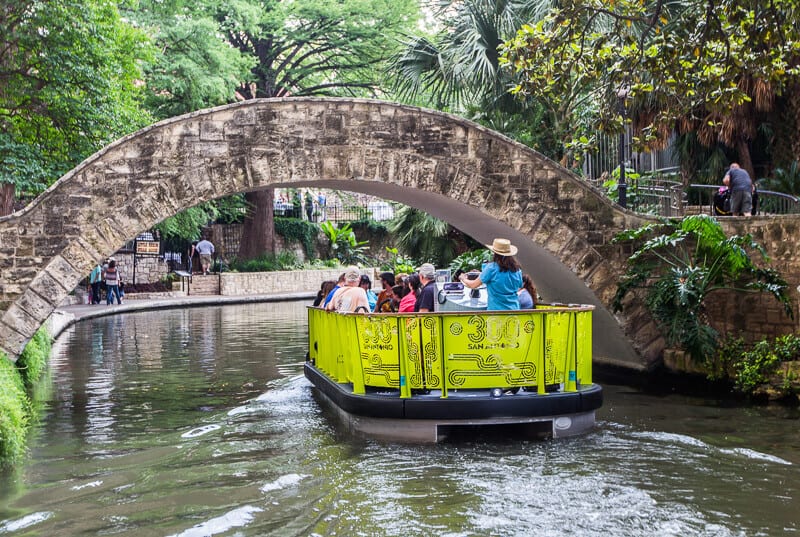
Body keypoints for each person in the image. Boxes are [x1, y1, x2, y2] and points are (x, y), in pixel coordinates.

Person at [459, 238, 523, 310]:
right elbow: (519, 287)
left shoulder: (491, 268)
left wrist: (463, 278)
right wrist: (482, 274)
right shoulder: (517, 269)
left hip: (496, 312)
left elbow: (473, 285)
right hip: (515, 311)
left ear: (495, 253)